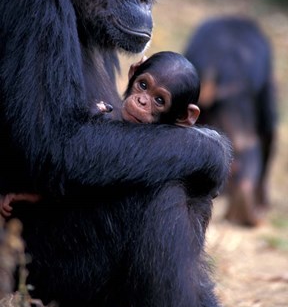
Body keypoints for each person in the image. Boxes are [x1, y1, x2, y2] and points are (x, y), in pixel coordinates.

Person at [0, 51, 201, 217]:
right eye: (143, 85)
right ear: (132, 73)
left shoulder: (167, 155)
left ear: (185, 116)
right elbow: (70, 165)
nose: (141, 100)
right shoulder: (103, 111)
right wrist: (32, 191)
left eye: (159, 100)